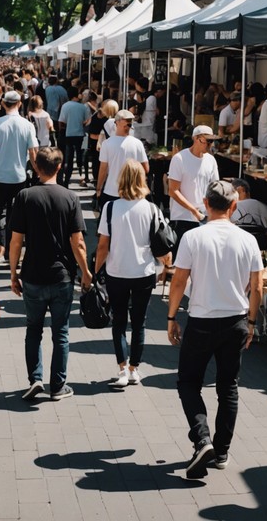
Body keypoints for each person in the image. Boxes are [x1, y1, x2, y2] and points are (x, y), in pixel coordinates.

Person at [167, 180, 263, 478]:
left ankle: (202, 438)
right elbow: (257, 287)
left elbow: (179, 280)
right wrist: (251, 321)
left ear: (206, 204)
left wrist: (171, 317)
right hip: (235, 319)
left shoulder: (193, 237)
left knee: (188, 382)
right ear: (234, 207)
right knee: (228, 386)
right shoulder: (247, 240)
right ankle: (221, 450)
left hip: (202, 319)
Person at [9, 147, 91, 401]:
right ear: (59, 167)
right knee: (61, 333)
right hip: (61, 275)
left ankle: (35, 378)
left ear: (36, 168)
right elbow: (77, 242)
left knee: (33, 329)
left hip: (32, 273)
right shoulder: (70, 197)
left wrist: (13, 272)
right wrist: (86, 272)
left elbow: (16, 241)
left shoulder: (25, 196)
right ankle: (58, 385)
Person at [96, 160, 168, 388]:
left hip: (116, 271)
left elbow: (102, 246)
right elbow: (161, 243)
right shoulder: (152, 209)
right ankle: (135, 369)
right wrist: (166, 267)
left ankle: (122, 369)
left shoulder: (110, 208)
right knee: (139, 323)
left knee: (118, 322)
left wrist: (94, 271)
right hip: (143, 272)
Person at [0, 89, 39, 262]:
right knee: (14, 215)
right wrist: (38, 172)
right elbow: (33, 153)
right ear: (19, 104)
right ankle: (10, 249)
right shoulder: (27, 125)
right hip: (19, 176)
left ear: (3, 104)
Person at [168, 125, 220, 248]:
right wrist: (194, 210)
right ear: (196, 139)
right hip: (183, 217)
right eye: (208, 141)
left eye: (212, 141)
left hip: (203, 217)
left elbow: (214, 187)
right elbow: (173, 190)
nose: (210, 145)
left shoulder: (211, 160)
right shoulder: (179, 158)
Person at [96, 110, 149, 210]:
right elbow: (145, 169)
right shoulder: (137, 143)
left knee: (108, 221)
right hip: (133, 191)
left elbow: (103, 169)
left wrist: (99, 187)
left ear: (116, 123)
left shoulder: (107, 144)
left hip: (111, 190)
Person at [57, 86, 89, 187]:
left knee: (69, 158)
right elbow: (87, 120)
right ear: (77, 95)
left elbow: (61, 121)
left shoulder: (65, 106)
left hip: (68, 134)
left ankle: (66, 180)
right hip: (79, 134)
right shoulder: (83, 107)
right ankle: (81, 176)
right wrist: (81, 124)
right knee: (80, 156)